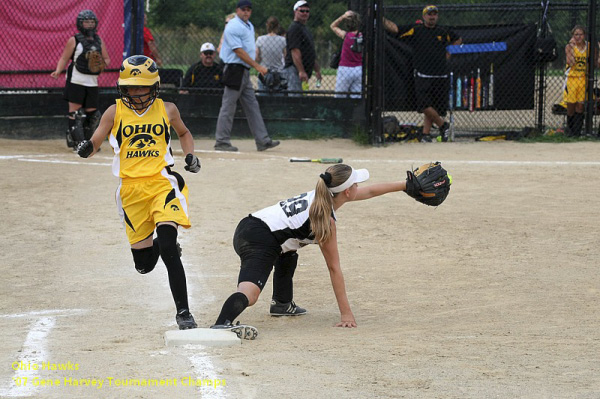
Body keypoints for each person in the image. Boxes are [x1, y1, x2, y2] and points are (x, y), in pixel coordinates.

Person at [210, 164, 410, 339]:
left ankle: (282, 303)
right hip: (259, 239)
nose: (360, 186)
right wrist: (346, 314)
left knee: (289, 248)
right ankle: (221, 323)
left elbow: (370, 191)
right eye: (356, 183)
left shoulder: (324, 194)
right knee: (250, 294)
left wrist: (404, 185)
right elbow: (334, 268)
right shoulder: (325, 220)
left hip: (250, 225)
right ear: (347, 192)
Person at [75, 55, 201, 330]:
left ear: (154, 86)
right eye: (131, 87)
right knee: (143, 266)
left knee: (168, 246)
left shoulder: (167, 109)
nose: (137, 92)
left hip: (162, 182)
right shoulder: (114, 111)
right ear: (123, 88)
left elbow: (184, 133)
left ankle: (183, 313)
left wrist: (190, 156)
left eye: (142, 87)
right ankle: (158, 247)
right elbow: (96, 140)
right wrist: (86, 147)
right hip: (130, 191)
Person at [384, 5, 461, 142]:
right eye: (429, 14)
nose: (432, 17)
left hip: (440, 74)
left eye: (434, 14)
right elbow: (395, 29)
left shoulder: (443, 31)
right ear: (424, 16)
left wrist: (449, 53)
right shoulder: (416, 29)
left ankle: (425, 135)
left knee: (432, 106)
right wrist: (381, 18)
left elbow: (458, 39)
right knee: (423, 105)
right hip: (423, 73)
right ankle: (443, 125)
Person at [214, 0, 280, 152]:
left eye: (249, 9)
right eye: (243, 9)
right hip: (234, 70)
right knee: (228, 106)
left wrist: (254, 66)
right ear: (237, 10)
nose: (246, 12)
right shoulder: (233, 26)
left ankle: (262, 140)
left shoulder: (248, 25)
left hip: (244, 71)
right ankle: (221, 141)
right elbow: (238, 50)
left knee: (252, 106)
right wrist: (257, 66)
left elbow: (248, 50)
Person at [51, 9, 110, 149]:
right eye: (86, 22)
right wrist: (58, 70)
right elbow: (65, 57)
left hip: (92, 82)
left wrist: (101, 64)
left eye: (92, 22)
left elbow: (107, 58)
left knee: (93, 114)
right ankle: (77, 141)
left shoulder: (98, 40)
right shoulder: (74, 40)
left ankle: (88, 142)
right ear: (80, 23)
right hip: (76, 80)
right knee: (76, 113)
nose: (89, 25)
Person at [563, 25, 597, 137]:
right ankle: (570, 129)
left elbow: (595, 62)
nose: (578, 37)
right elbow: (571, 62)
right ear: (572, 36)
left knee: (580, 105)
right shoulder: (569, 47)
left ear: (584, 35)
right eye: (576, 34)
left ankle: (577, 132)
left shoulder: (589, 47)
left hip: (583, 79)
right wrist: (572, 47)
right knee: (571, 105)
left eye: (580, 34)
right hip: (572, 79)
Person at [283, 1, 322, 96]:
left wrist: (317, 70)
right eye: (302, 11)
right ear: (295, 12)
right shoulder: (294, 28)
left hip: (303, 70)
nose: (305, 13)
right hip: (294, 70)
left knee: (301, 96)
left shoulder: (304, 29)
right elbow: (295, 51)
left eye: (307, 11)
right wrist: (301, 71)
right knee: (295, 98)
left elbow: (310, 52)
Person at [330, 11, 363, 99]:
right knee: (356, 97)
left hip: (345, 68)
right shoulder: (362, 36)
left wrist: (343, 16)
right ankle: (355, 112)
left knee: (340, 96)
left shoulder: (346, 35)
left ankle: (342, 112)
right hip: (358, 68)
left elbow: (333, 26)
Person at [256, 16, 287, 94]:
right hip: (278, 73)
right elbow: (285, 56)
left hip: (264, 72)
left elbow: (257, 57)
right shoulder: (282, 40)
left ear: (267, 25)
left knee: (263, 99)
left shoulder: (260, 39)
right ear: (278, 26)